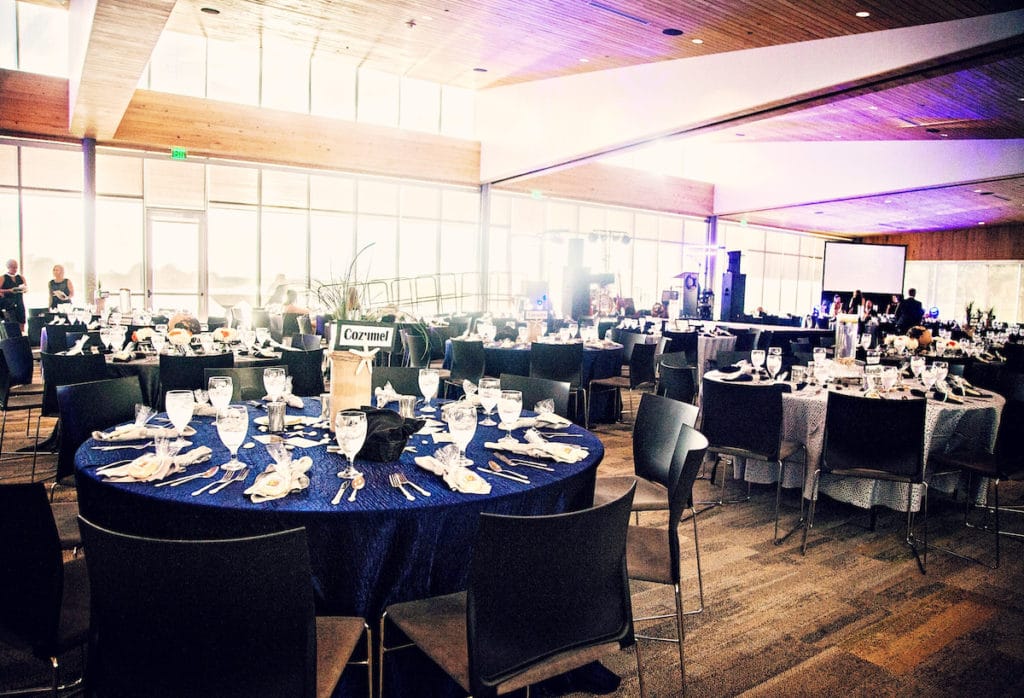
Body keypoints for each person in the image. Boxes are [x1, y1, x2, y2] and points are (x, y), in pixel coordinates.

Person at [0, 258, 27, 333]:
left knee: (22, 321)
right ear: (8, 267)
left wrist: (23, 289)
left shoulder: (21, 277)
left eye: (15, 267)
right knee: (12, 324)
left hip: (19, 302)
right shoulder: (3, 278)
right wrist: (9, 290)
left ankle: (22, 336)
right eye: (12, 267)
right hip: (8, 304)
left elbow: (25, 288)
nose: (14, 269)